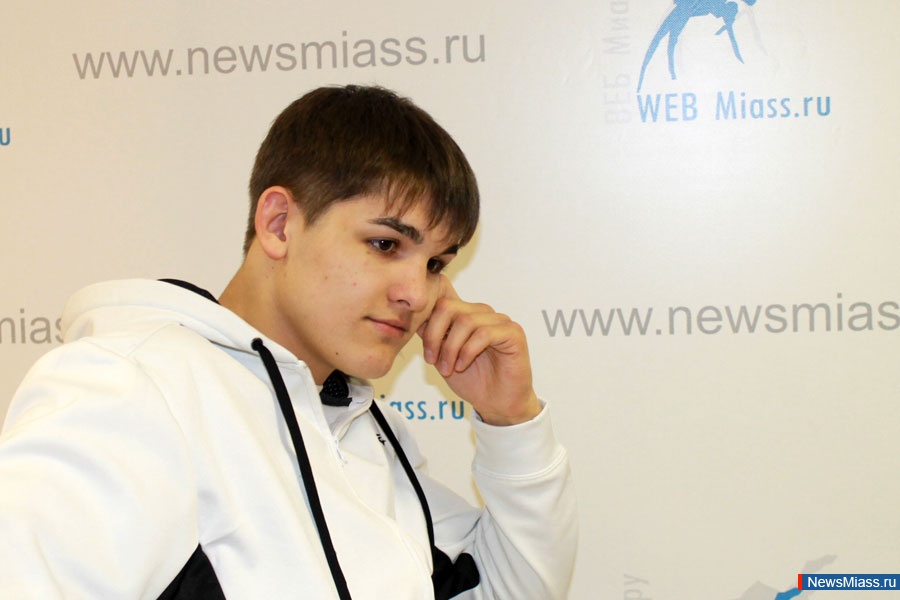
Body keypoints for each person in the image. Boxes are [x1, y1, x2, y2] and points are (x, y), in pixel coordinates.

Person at [0, 85, 577, 599]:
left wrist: (512, 421)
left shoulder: (358, 424)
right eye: (385, 245)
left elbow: (504, 589)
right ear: (279, 224)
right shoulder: (131, 388)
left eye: (435, 264)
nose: (416, 293)